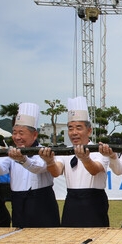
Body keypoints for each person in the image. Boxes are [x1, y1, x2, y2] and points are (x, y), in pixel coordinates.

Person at [0, 102, 60, 228]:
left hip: (42, 204)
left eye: (21, 133)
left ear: (34, 135)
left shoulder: (44, 152)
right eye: (14, 132)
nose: (17, 137)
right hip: (18, 203)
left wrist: (23, 160)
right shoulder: (11, 152)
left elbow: (38, 167)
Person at [40, 96, 110, 227]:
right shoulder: (65, 151)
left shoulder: (100, 150)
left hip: (94, 202)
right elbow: (56, 171)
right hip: (71, 201)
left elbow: (95, 170)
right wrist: (49, 161)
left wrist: (85, 158)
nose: (74, 132)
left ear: (89, 130)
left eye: (78, 128)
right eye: (71, 128)